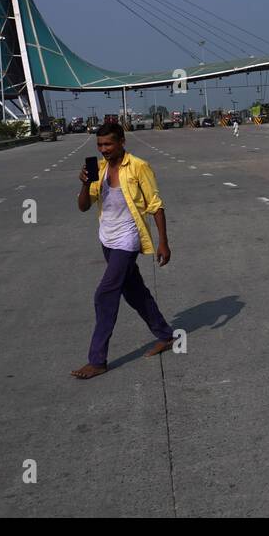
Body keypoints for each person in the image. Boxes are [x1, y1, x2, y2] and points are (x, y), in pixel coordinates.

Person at [71, 121, 174, 379]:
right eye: (99, 145)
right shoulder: (101, 170)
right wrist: (84, 183)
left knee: (104, 295)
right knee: (135, 293)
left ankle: (97, 360)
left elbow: (155, 205)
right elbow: (83, 206)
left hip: (127, 241)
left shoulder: (138, 167)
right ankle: (165, 334)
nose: (103, 149)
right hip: (107, 239)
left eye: (108, 144)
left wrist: (163, 242)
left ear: (121, 142)